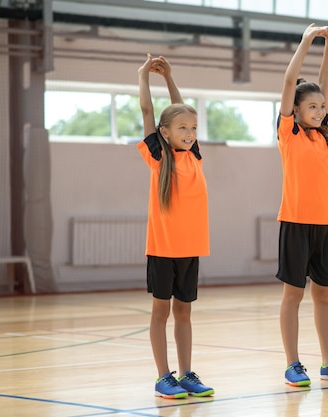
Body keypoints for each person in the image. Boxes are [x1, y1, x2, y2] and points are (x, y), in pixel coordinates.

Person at [276, 22, 328, 387]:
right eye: (311, 106)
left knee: (323, 293)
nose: (319, 109)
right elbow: (289, 79)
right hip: (296, 221)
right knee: (294, 293)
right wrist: (307, 40)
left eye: (322, 106)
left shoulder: (324, 134)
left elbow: (325, 82)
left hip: (327, 223)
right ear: (295, 109)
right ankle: (293, 364)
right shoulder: (289, 133)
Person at [137, 53, 214, 398]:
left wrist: (170, 77)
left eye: (193, 128)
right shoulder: (159, 156)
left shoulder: (193, 154)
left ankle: (186, 374)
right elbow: (148, 113)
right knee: (161, 311)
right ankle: (162, 376)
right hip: (163, 249)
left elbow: (179, 107)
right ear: (165, 133)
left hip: (190, 249)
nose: (189, 132)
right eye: (182, 128)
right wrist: (144, 78)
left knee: (184, 312)